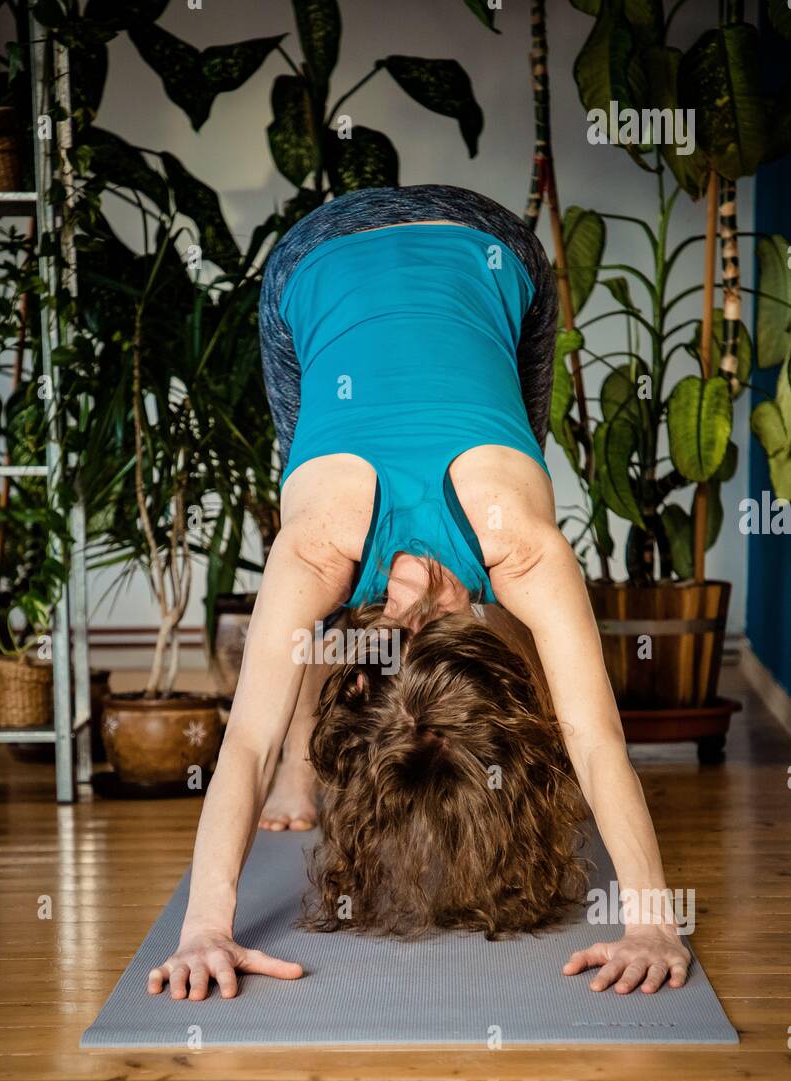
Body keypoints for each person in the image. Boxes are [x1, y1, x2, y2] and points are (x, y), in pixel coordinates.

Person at [147, 184, 691, 1003]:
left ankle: (305, 772)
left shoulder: (503, 554)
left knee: (311, 596)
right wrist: (201, 931)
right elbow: (590, 737)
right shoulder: (497, 549)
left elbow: (593, 738)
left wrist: (653, 918)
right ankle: (305, 777)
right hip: (318, 263)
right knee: (321, 578)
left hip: (474, 247)